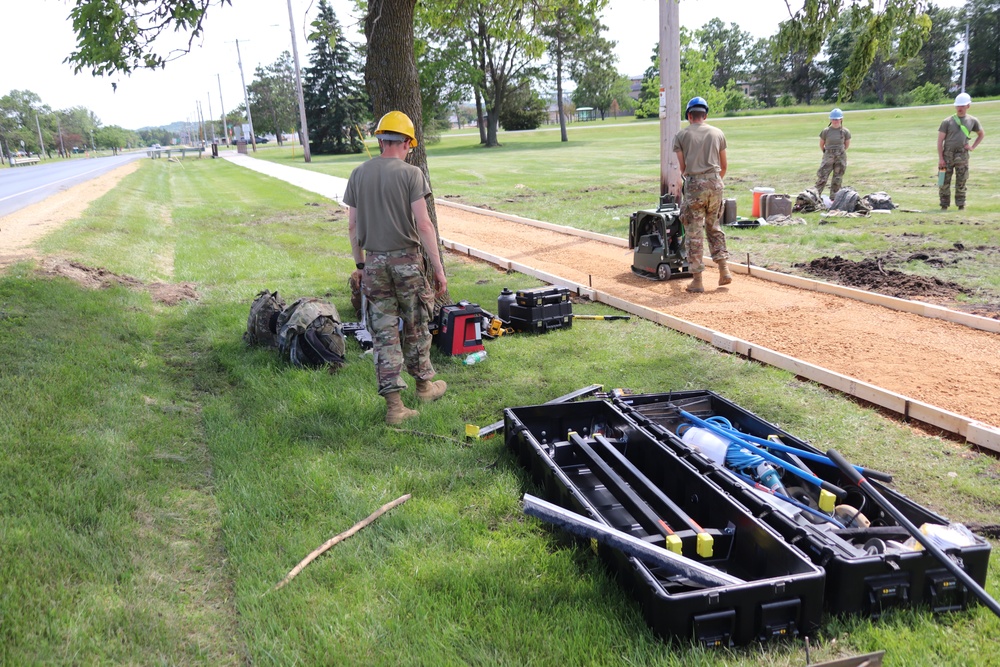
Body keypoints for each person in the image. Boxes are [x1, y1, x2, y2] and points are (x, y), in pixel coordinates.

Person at [345, 110, 448, 425]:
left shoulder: (358, 174)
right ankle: (424, 386)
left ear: (380, 140)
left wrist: (361, 265)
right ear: (406, 142)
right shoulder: (411, 174)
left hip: (374, 262)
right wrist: (439, 269)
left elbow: (351, 226)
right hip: (407, 262)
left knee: (384, 332)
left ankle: (394, 408)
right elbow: (425, 224)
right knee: (416, 323)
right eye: (409, 145)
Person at [672, 96, 731, 293]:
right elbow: (724, 166)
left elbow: (683, 168)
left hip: (695, 184)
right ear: (705, 115)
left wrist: (696, 181)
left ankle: (697, 280)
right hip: (716, 183)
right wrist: (714, 181)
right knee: (713, 226)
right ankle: (724, 270)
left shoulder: (681, 136)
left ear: (689, 115)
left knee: (694, 232)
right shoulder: (718, 133)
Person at [938, 93, 985, 211]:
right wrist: (941, 158)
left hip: (962, 155)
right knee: (942, 180)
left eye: (962, 106)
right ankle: (944, 205)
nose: (959, 108)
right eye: (958, 106)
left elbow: (981, 134)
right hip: (947, 154)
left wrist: (972, 147)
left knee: (962, 180)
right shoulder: (947, 121)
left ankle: (961, 205)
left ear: (968, 106)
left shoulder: (972, 120)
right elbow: (940, 141)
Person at [815, 108, 851, 197]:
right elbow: (821, 144)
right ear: (831, 120)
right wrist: (827, 153)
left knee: (837, 178)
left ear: (841, 119)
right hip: (828, 155)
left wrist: (839, 153)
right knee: (822, 176)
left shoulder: (845, 132)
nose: (835, 121)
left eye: (837, 119)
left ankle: (834, 198)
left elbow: (846, 145)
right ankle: (815, 196)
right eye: (833, 119)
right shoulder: (826, 131)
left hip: (840, 156)